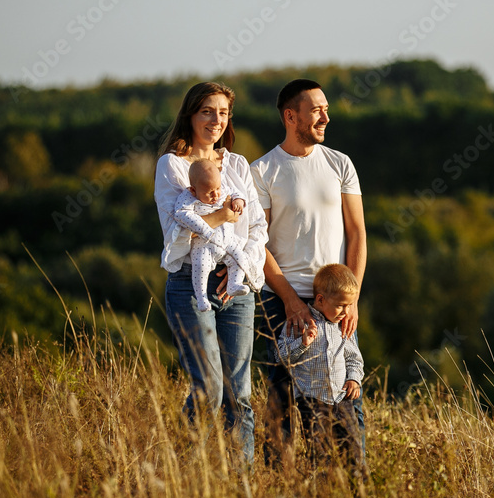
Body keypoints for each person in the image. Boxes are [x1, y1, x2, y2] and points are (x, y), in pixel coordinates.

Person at [250, 78, 367, 464]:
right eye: (317, 109)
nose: (326, 117)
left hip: (333, 299)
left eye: (326, 109)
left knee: (343, 400)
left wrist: (351, 300)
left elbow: (357, 234)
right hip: (281, 301)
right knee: (280, 400)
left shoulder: (340, 163)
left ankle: (348, 488)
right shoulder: (262, 170)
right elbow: (258, 243)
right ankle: (279, 491)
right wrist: (290, 302)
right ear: (290, 116)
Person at [154, 81, 268, 465]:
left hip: (235, 286)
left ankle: (240, 489)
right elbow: (177, 235)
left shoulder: (236, 165)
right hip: (191, 282)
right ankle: (192, 481)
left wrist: (240, 266)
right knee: (209, 389)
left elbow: (257, 229)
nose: (216, 120)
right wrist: (220, 217)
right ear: (190, 115)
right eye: (207, 111)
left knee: (240, 394)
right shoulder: (172, 165)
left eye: (223, 113)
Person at [277, 263, 364, 467]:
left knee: (352, 450)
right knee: (319, 453)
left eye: (349, 305)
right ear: (320, 299)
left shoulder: (343, 326)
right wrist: (302, 343)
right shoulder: (301, 322)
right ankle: (323, 492)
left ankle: (357, 494)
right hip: (312, 401)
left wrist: (354, 379)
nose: (345, 311)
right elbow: (281, 356)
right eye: (341, 305)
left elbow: (354, 358)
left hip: (341, 400)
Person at [174, 159, 262, 312]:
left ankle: (234, 284)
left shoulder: (222, 189)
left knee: (240, 258)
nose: (216, 195)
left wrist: (239, 200)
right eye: (209, 192)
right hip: (205, 245)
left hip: (228, 242)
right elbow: (181, 214)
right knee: (201, 267)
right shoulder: (188, 198)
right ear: (193, 190)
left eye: (218, 188)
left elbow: (235, 192)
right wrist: (205, 228)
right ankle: (201, 298)